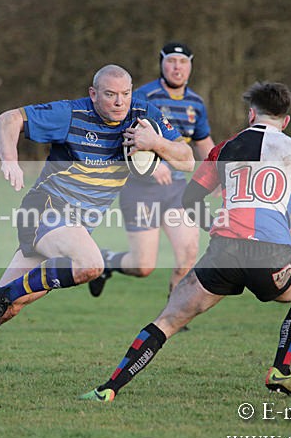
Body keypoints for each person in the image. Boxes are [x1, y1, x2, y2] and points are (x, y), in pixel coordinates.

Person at [80, 81, 291, 402]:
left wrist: (213, 225)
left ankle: (109, 389)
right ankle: (281, 368)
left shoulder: (224, 148)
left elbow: (189, 199)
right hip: (269, 256)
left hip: (222, 253)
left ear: (251, 114)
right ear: (286, 121)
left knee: (168, 319)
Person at [0, 64, 195, 393]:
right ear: (93, 94)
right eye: (110, 94)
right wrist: (9, 158)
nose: (119, 102)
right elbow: (8, 119)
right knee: (90, 264)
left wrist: (156, 141)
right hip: (45, 209)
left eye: (125, 94)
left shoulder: (145, 116)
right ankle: (0, 295)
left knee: (4, 310)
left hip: (73, 226)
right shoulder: (71, 113)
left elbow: (186, 159)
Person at [89, 42, 214, 303]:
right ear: (162, 64)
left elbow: (203, 143)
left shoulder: (196, 103)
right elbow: (123, 136)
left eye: (183, 62)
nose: (177, 67)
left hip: (177, 189)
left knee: (189, 252)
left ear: (191, 66)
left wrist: (220, 175)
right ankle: (106, 261)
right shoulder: (144, 97)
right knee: (143, 266)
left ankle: (176, 310)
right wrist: (153, 165)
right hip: (140, 189)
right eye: (171, 61)